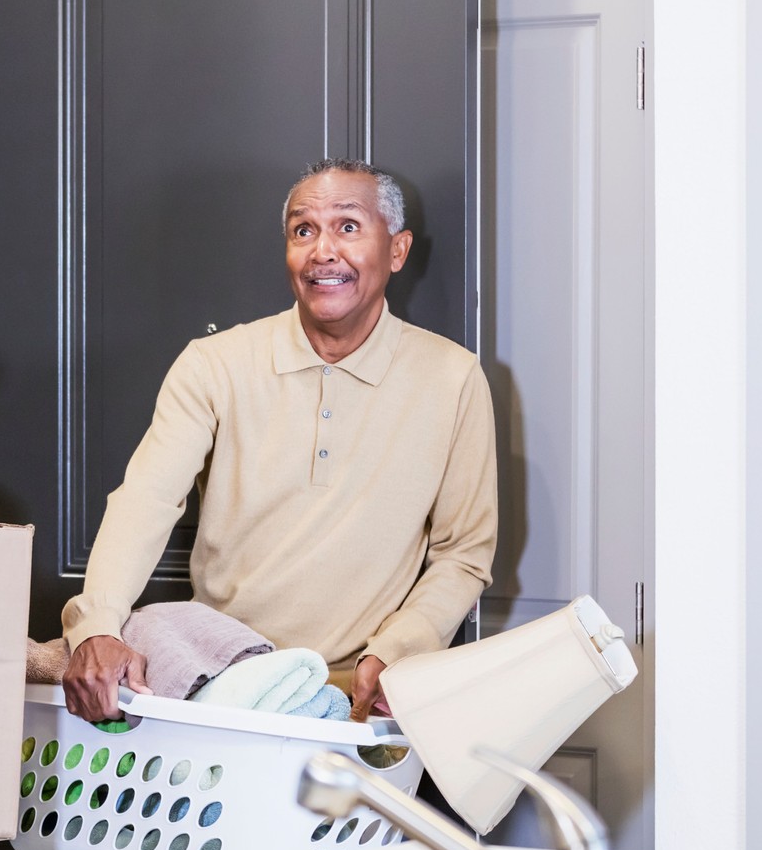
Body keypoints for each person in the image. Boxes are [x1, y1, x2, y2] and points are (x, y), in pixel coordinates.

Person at [60, 159, 498, 724]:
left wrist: (400, 649)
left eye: (347, 227)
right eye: (303, 230)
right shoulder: (213, 365)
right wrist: (96, 626)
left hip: (357, 697)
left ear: (397, 250)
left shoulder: (453, 378)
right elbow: (145, 502)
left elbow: (463, 553)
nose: (322, 251)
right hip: (220, 683)